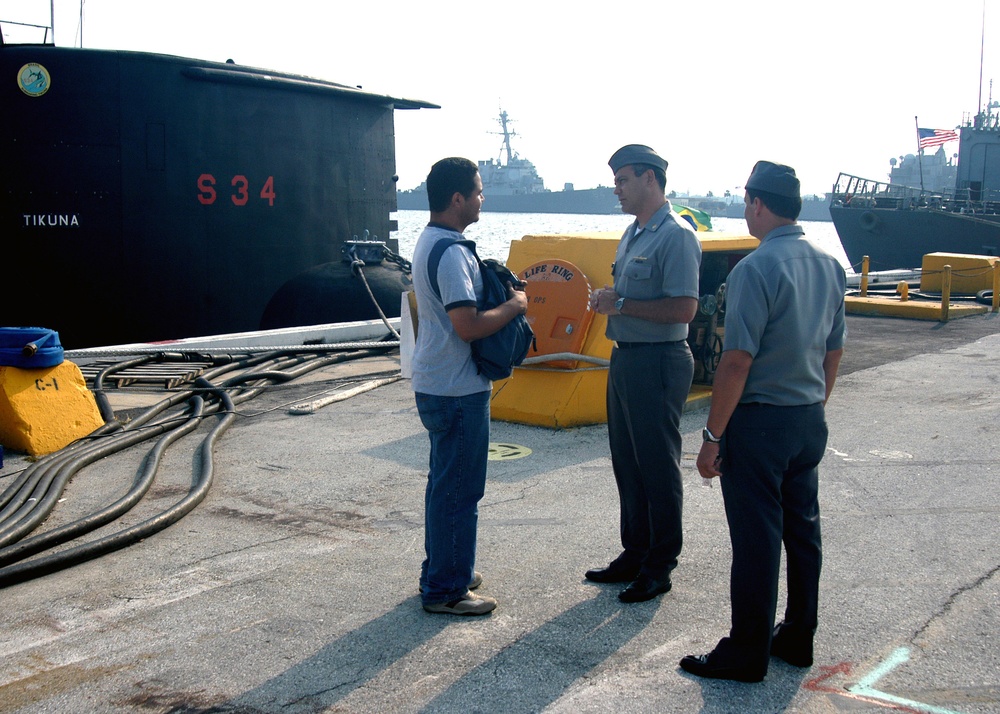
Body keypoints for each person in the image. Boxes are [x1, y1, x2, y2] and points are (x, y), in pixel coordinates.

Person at [680, 161, 847, 682]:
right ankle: (797, 636)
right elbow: (835, 349)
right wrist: (814, 405)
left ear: (756, 203)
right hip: (806, 417)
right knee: (802, 533)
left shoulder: (755, 269)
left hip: (760, 423)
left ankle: (747, 651)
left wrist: (712, 436)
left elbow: (736, 362)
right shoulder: (829, 265)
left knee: (756, 540)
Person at [409, 157, 528, 616]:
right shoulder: (454, 252)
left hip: (435, 382)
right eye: (478, 191)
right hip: (458, 389)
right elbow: (468, 325)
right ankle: (446, 590)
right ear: (456, 199)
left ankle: (445, 568)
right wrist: (516, 305)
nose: (482, 198)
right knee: (460, 490)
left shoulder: (429, 242)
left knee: (444, 486)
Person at [586, 145, 701, 603]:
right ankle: (634, 552)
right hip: (627, 357)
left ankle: (659, 565)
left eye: (623, 181)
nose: (617, 189)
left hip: (659, 360)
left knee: (656, 465)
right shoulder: (633, 234)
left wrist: (623, 304)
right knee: (627, 463)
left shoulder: (677, 236)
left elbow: (685, 308)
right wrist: (611, 300)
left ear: (650, 179)